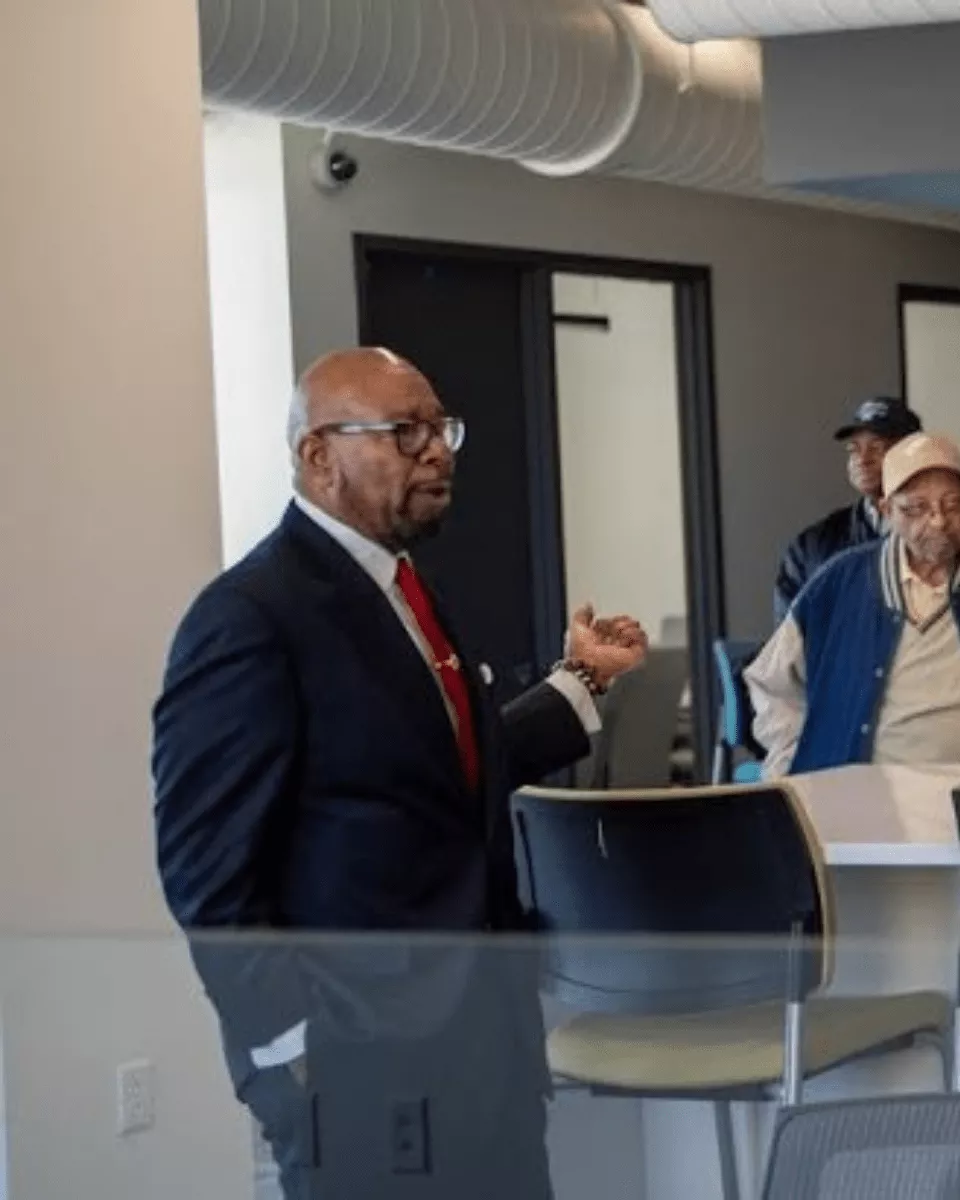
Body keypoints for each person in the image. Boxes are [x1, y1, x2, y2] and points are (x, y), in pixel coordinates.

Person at [152, 347, 647, 1199]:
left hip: (484, 1046)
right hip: (357, 1064)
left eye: (441, 428)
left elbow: (442, 772)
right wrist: (287, 1044)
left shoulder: (406, 590)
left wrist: (581, 682)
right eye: (405, 432)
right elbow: (206, 870)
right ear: (319, 456)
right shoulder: (248, 617)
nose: (437, 451)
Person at [747, 431, 960, 778]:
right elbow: (772, 682)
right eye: (916, 508)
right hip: (860, 794)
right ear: (887, 511)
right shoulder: (840, 582)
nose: (938, 521)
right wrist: (790, 764)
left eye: (952, 505)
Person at [773, 396, 922, 623]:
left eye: (877, 448)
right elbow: (790, 632)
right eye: (854, 449)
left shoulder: (944, 533)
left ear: (916, 454)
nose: (862, 459)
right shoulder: (813, 545)